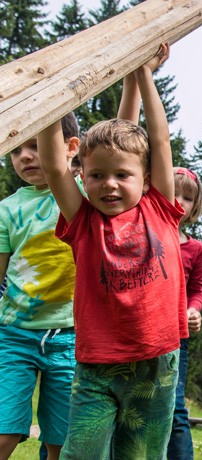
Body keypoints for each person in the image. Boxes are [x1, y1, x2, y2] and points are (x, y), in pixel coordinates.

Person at [36, 43, 188, 459]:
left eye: (123, 174)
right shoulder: (84, 223)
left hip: (157, 363)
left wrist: (142, 74)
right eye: (97, 175)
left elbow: (157, 139)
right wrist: (51, 96)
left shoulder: (160, 207)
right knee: (81, 454)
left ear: (147, 176)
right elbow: (52, 167)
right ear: (82, 176)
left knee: (139, 455)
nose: (109, 184)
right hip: (97, 366)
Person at [0, 114, 80, 460]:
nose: (25, 157)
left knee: (61, 442)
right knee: (4, 432)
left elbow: (123, 141)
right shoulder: (7, 209)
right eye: (16, 150)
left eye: (35, 145)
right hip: (14, 335)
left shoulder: (86, 193)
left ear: (71, 148)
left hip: (70, 336)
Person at [167, 166, 202, 459]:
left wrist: (194, 310)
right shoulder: (145, 235)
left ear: (195, 206)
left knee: (175, 406)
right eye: (173, 192)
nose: (179, 201)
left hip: (176, 338)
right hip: (138, 333)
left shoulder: (195, 249)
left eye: (188, 197)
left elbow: (196, 289)